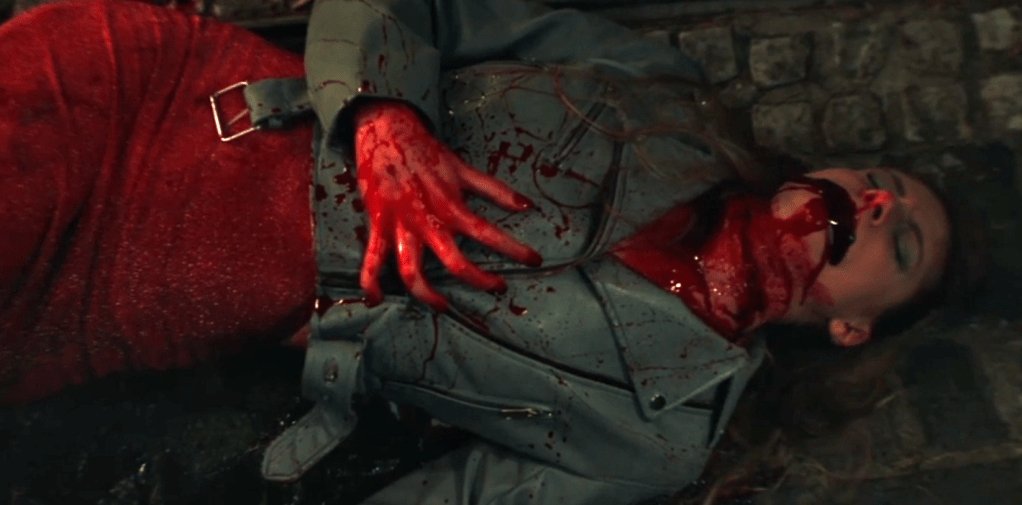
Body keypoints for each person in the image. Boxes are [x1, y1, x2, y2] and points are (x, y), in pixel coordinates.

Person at [0, 0, 974, 504]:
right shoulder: (663, 89)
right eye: (881, 178)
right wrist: (385, 115)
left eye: (902, 241)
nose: (878, 202)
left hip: (143, 298)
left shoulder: (655, 437)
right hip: (169, 107)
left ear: (853, 327)